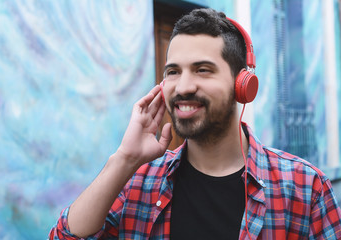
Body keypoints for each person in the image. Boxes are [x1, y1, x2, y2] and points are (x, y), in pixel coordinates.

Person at [49, 8, 341, 239]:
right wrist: (124, 159)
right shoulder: (138, 183)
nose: (184, 87)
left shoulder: (306, 189)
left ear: (243, 85)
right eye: (173, 72)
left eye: (203, 70)